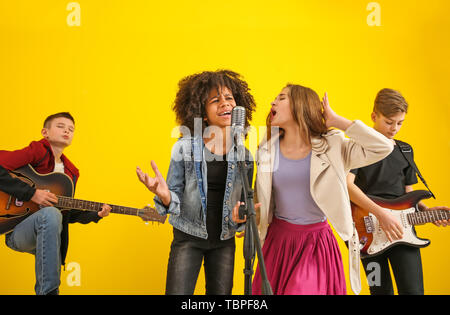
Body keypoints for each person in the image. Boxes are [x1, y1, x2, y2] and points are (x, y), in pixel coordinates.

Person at [233, 84, 393, 295]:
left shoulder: (332, 145)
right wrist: (246, 218)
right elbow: (265, 203)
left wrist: (338, 122)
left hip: (315, 244)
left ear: (300, 105)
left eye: (281, 98)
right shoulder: (266, 149)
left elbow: (383, 147)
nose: (273, 102)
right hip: (277, 242)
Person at [136, 70, 256, 295]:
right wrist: (165, 195)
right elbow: (173, 198)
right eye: (215, 100)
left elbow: (240, 206)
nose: (224, 104)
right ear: (203, 112)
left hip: (224, 242)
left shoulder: (245, 156)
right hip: (187, 239)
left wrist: (240, 217)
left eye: (229, 98)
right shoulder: (184, 148)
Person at [346, 88, 449, 295]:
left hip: (402, 232)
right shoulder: (358, 146)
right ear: (374, 116)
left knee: (413, 290)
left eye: (400, 123)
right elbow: (348, 186)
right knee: (379, 291)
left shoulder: (406, 150)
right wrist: (381, 214)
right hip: (366, 236)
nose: (394, 128)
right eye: (389, 122)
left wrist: (426, 211)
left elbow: (408, 196)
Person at [0, 112, 111, 295]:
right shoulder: (37, 151)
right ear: (45, 132)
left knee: (54, 214)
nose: (67, 130)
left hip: (47, 231)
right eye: (60, 126)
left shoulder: (71, 173)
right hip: (15, 230)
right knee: (51, 215)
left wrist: (95, 214)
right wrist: (32, 193)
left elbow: (64, 211)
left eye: (71, 129)